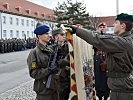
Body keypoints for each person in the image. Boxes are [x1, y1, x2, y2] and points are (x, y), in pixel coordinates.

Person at [68, 13, 133, 100]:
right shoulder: (125, 39)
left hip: (122, 90)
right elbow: (103, 36)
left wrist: (77, 30)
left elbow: (98, 39)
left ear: (123, 26)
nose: (113, 25)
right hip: (120, 86)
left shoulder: (123, 42)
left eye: (116, 23)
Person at [27, 24, 59, 100]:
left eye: (49, 33)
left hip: (55, 88)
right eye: (46, 33)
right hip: (44, 91)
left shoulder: (50, 50)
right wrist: (48, 70)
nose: (49, 35)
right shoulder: (34, 52)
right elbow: (34, 73)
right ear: (39, 36)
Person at [52, 28, 70, 100]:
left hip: (68, 78)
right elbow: (54, 64)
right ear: (56, 37)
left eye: (64, 35)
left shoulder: (68, 47)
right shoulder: (52, 49)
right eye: (62, 35)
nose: (64, 36)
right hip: (58, 80)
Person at [93, 22, 110, 100]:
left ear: (106, 29)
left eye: (104, 27)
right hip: (97, 59)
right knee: (98, 78)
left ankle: (106, 95)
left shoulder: (110, 37)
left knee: (107, 79)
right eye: (101, 27)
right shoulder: (94, 37)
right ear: (97, 29)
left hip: (107, 59)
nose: (102, 28)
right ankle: (99, 96)